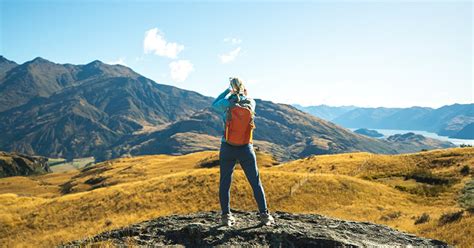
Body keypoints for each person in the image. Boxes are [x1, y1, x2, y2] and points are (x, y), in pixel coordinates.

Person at [211, 77, 275, 226]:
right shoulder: (251, 103)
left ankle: (226, 217)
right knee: (255, 182)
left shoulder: (226, 104)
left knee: (225, 182)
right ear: (243, 88)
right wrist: (244, 93)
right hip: (246, 148)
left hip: (227, 146)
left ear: (232, 89)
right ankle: (264, 215)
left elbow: (214, 104)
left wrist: (227, 91)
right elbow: (248, 102)